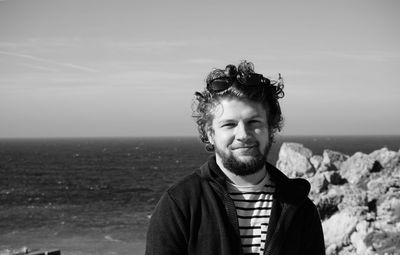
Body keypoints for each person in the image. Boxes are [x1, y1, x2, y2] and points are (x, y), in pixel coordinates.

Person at [145, 61, 325, 255]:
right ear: (210, 133)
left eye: (253, 122)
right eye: (229, 124)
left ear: (271, 128)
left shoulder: (299, 209)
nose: (243, 134)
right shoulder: (179, 205)